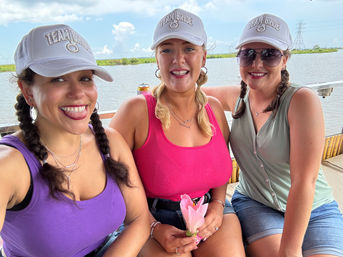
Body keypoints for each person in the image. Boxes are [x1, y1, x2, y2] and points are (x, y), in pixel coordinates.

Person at [0, 24, 150, 257]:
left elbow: (139, 219)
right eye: (58, 79)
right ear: (27, 91)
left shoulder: (109, 142)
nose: (78, 93)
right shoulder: (8, 167)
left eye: (85, 78)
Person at [203, 13, 343, 257]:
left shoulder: (302, 101)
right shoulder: (235, 97)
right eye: (248, 53)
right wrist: (149, 97)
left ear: (285, 59)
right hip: (256, 203)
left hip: (315, 208)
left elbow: (304, 182)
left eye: (269, 54)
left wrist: (289, 251)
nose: (257, 64)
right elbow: (186, 91)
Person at [110, 8, 245, 257]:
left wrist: (216, 205)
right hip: (151, 218)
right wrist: (152, 225)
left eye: (189, 49)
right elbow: (112, 177)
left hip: (209, 209)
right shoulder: (136, 110)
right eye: (167, 49)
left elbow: (220, 173)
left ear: (203, 57)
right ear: (157, 58)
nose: (178, 59)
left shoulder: (214, 109)